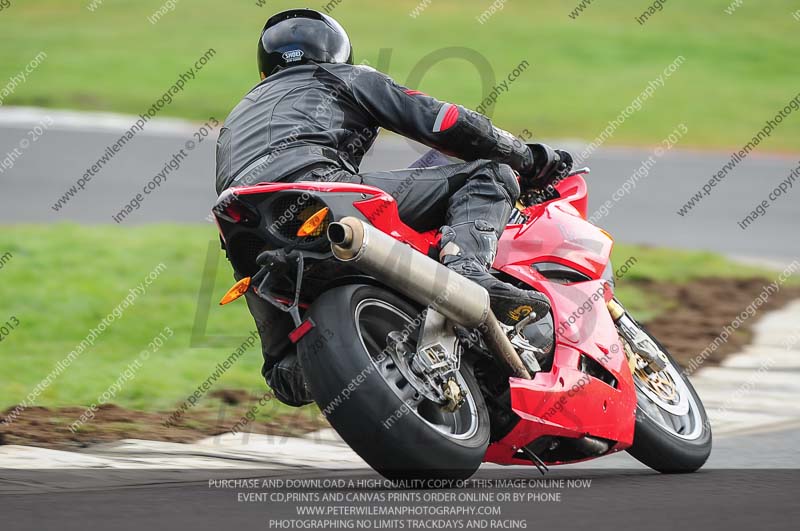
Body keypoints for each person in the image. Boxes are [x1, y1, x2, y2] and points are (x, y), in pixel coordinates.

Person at [215, 8, 574, 406]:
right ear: (337, 52)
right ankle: (469, 272)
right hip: (321, 192)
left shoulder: (235, 119)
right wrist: (531, 159)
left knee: (284, 371)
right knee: (487, 174)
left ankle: (289, 363)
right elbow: (446, 121)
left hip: (244, 227)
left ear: (266, 67)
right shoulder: (346, 77)